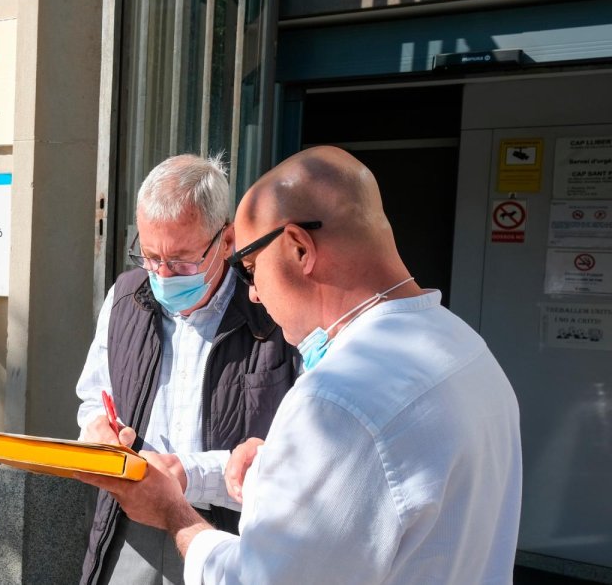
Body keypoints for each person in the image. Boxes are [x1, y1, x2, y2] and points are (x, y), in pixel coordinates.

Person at [78, 146, 522, 584]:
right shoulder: (467, 349)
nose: (252, 293)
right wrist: (273, 465)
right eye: (151, 259)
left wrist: (177, 515)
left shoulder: (337, 401)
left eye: (250, 268)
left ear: (299, 250)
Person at [75, 154, 298, 585]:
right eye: (150, 255)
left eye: (179, 261)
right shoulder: (125, 297)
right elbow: (92, 397)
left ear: (227, 240)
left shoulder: (271, 310)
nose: (162, 274)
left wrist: (188, 475)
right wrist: (98, 430)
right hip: (129, 530)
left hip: (230, 535)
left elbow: (293, 452)